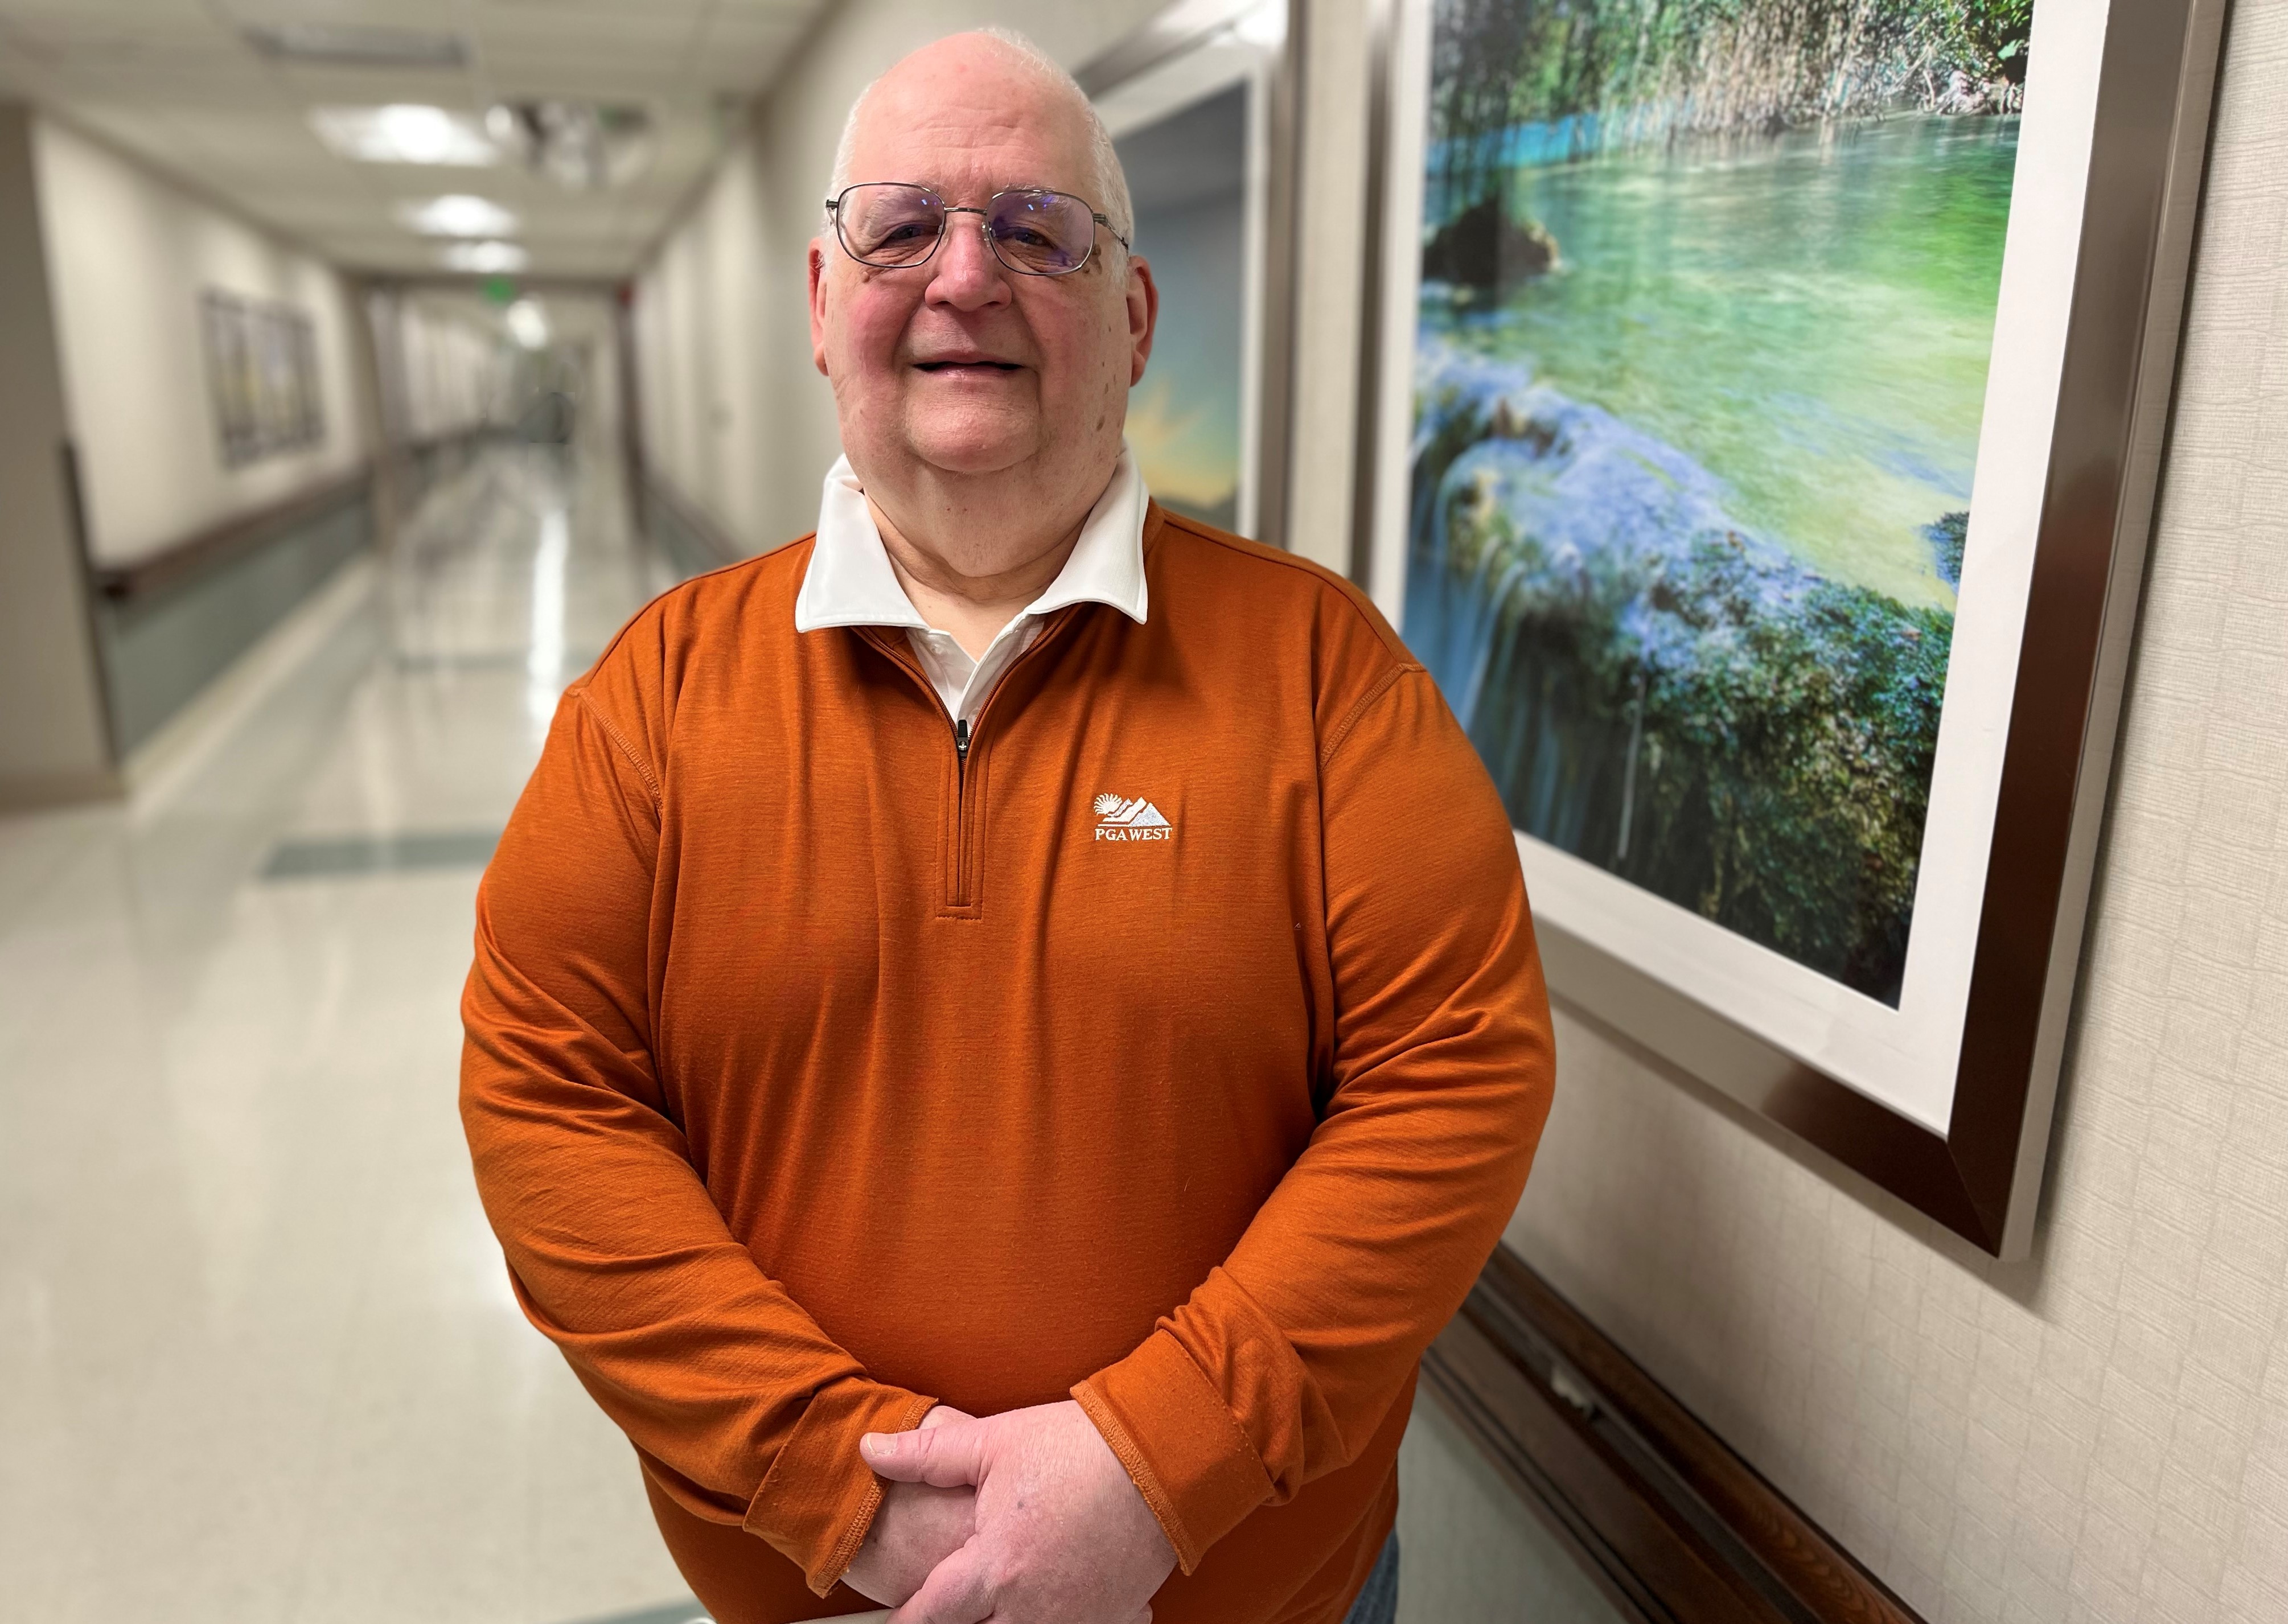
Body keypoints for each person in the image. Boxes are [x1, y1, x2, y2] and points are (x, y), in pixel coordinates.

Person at [460, 28, 1554, 1624]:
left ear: (1130, 317)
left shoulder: (1327, 679)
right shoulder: (653, 704)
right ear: (825, 306)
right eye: (901, 227)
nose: (964, 276)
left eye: (1037, 229)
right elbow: (547, 1109)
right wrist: (843, 1484)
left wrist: (1148, 1466)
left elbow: (1450, 1080)